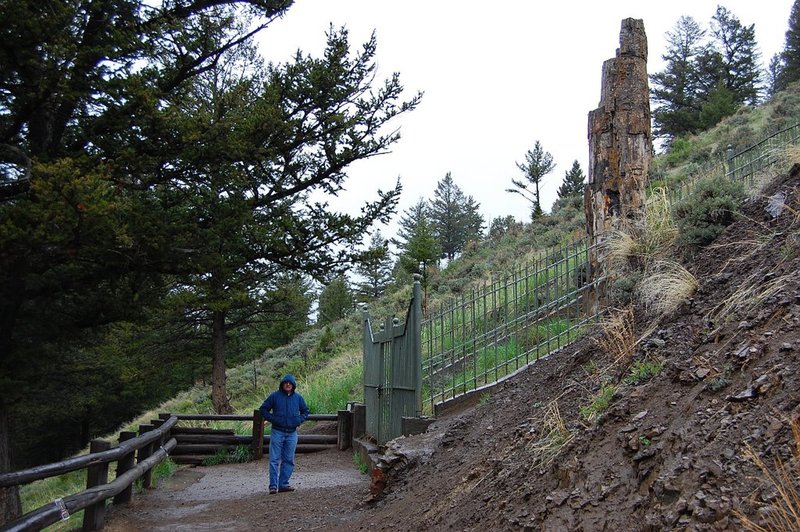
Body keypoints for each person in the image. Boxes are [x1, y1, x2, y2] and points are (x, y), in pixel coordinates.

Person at [259, 373, 310, 494]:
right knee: (274, 460)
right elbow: (263, 409)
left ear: (293, 385)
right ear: (282, 384)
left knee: (289, 460)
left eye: (290, 383)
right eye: (286, 383)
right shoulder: (275, 396)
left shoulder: (298, 398)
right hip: (277, 432)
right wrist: (273, 419)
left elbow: (305, 411)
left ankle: (283, 484)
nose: (288, 384)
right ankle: (273, 486)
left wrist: (298, 420)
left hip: (292, 433)